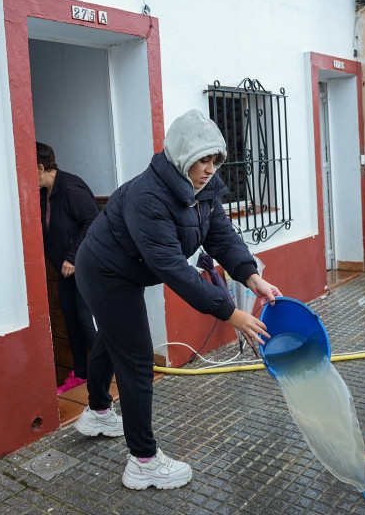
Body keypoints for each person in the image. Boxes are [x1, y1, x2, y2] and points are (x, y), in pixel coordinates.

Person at [73, 109, 281, 490]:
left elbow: (222, 237)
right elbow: (173, 269)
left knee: (114, 336)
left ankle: (98, 411)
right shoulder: (148, 197)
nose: (210, 168)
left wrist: (252, 277)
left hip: (124, 270)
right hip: (104, 271)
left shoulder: (204, 191)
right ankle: (144, 462)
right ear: (183, 154)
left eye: (216, 159)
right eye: (203, 159)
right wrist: (231, 313)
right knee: (136, 358)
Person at [36, 142, 100, 394]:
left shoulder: (72, 187)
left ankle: (104, 372)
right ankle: (82, 373)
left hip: (83, 267)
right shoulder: (44, 194)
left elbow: (94, 220)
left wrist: (72, 258)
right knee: (70, 320)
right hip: (65, 272)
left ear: (41, 167)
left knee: (86, 320)